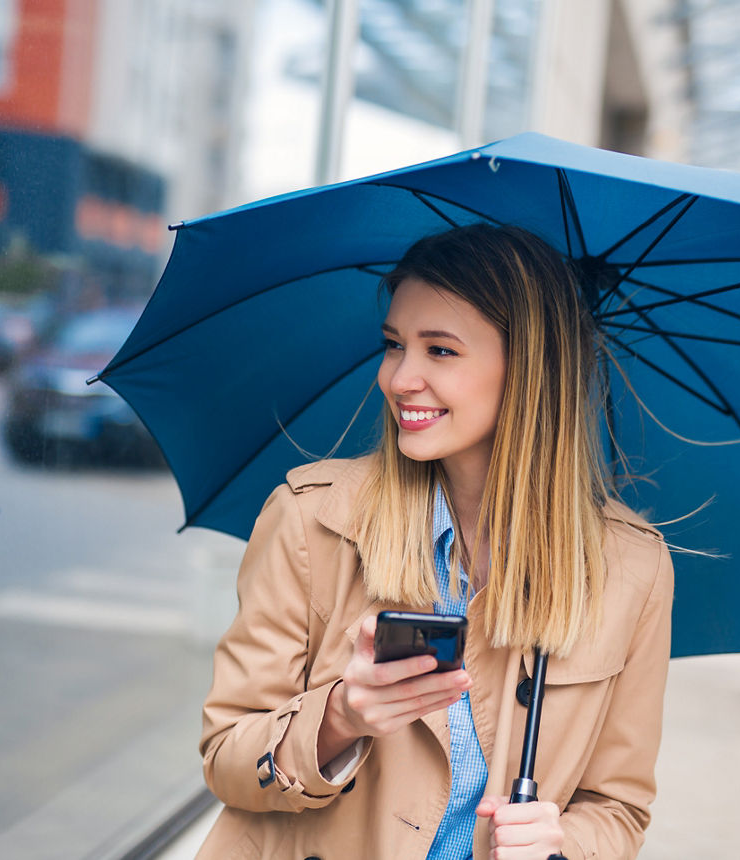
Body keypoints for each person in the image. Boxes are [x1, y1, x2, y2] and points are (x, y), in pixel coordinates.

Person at [198, 224, 674, 859]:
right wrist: (338, 718)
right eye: (394, 345)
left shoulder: (632, 567)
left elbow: (618, 807)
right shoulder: (311, 520)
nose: (399, 378)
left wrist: (561, 847)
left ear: (529, 370)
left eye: (440, 350)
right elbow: (226, 756)